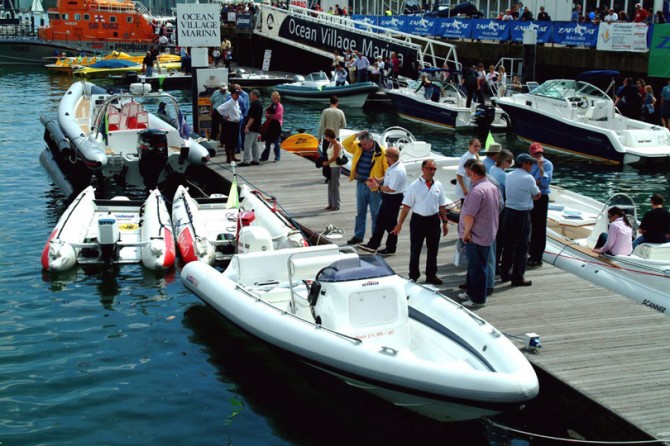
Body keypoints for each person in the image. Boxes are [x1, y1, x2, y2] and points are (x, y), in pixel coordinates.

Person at [391, 159, 448, 285]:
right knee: (415, 249)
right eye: (429, 168)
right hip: (418, 220)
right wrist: (399, 224)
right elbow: (406, 207)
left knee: (433, 249)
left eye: (434, 169)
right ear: (423, 169)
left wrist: (444, 222)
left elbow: (442, 206)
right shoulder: (414, 186)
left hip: (433, 220)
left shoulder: (438, 185)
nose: (432, 171)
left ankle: (431, 275)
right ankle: (413, 275)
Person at [454, 160, 500, 308]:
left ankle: (478, 299)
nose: (468, 176)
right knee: (475, 266)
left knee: (477, 268)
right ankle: (471, 291)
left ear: (474, 173)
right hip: (487, 232)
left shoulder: (477, 191)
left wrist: (466, 233)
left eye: (469, 174)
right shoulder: (492, 187)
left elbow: (469, 216)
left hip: (476, 236)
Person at [500, 153, 541, 286]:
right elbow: (537, 195)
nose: (532, 166)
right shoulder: (528, 178)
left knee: (508, 245)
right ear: (524, 164)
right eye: (530, 163)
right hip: (522, 214)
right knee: (522, 246)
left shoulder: (509, 175)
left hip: (509, 212)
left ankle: (505, 273)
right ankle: (517, 277)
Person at [342, 130, 389, 244]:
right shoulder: (358, 147)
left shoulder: (382, 152)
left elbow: (388, 172)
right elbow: (345, 143)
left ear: (371, 141)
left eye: (365, 144)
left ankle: (375, 239)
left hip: (374, 187)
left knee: (375, 214)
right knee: (360, 213)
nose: (362, 146)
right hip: (361, 184)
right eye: (361, 144)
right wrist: (357, 135)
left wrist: (379, 182)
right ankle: (358, 236)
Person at [358, 147, 406, 255]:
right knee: (380, 222)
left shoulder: (397, 170)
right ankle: (373, 244)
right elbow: (389, 176)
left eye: (386, 155)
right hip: (388, 198)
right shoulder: (394, 166)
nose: (385, 157)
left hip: (392, 199)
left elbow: (391, 188)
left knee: (391, 225)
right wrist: (379, 180)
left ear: (390, 157)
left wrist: (377, 187)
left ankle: (391, 248)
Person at [527, 142, 553, 268]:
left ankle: (537, 257)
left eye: (540, 153)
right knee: (527, 225)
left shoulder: (547, 164)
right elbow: (529, 181)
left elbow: (545, 183)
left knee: (539, 228)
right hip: (529, 196)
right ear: (530, 153)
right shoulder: (528, 163)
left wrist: (541, 168)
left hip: (541, 198)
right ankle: (528, 251)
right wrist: (535, 182)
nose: (538, 155)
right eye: (536, 153)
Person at [316, 96, 347, 181]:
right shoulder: (340, 112)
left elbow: (321, 125)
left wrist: (319, 137)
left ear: (330, 102)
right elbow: (344, 125)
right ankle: (335, 175)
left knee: (326, 156)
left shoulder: (325, 111)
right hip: (336, 137)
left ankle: (327, 176)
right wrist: (337, 127)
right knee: (336, 156)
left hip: (327, 138)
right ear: (337, 103)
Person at [216, 89, 242, 163]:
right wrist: (224, 115)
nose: (238, 96)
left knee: (234, 141)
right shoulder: (229, 102)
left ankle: (233, 156)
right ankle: (229, 157)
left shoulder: (237, 102)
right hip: (230, 124)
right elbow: (219, 109)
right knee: (229, 141)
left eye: (238, 94)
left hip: (236, 123)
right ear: (232, 94)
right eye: (236, 94)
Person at [239, 89, 263, 166]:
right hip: (257, 127)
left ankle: (246, 161)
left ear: (255, 96)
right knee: (255, 144)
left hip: (252, 128)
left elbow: (252, 118)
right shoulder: (260, 104)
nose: (250, 96)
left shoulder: (254, 105)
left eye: (251, 95)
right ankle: (256, 160)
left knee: (247, 144)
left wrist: (247, 126)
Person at [455, 138, 481, 204]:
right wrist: (464, 189)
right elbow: (459, 174)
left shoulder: (475, 155)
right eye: (475, 146)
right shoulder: (466, 157)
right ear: (470, 146)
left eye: (478, 146)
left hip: (471, 186)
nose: (477, 148)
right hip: (466, 187)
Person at [322, 128, 342, 211]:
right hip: (330, 167)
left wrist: (327, 162)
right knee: (330, 185)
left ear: (329, 136)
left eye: (326, 136)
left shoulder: (336, 144)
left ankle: (336, 205)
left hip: (335, 167)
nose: (325, 138)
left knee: (335, 186)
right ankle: (331, 204)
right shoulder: (330, 143)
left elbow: (335, 156)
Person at [260, 91, 284, 162]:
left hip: (277, 126)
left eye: (274, 98)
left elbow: (277, 116)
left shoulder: (280, 107)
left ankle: (277, 157)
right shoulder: (271, 105)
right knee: (267, 142)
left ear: (278, 98)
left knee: (276, 143)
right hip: (270, 125)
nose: (273, 100)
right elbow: (266, 114)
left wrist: (270, 115)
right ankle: (265, 157)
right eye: (272, 98)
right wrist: (269, 115)